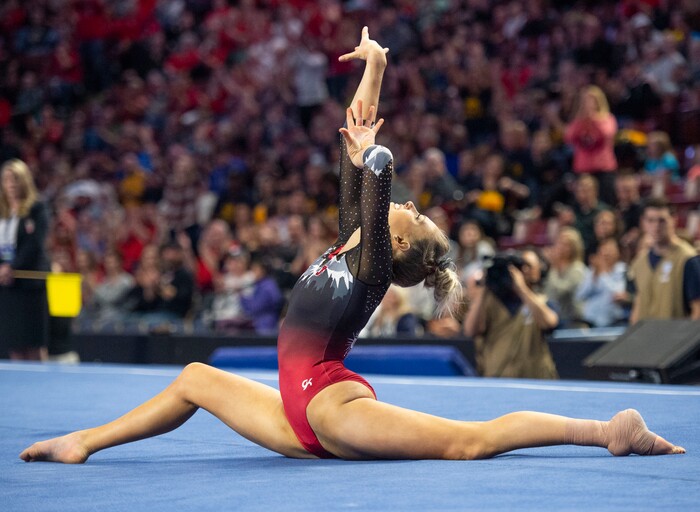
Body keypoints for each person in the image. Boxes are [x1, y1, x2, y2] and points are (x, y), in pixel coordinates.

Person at [20, 28, 683, 465]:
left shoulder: (370, 272)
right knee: (195, 379)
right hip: (293, 411)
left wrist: (372, 157)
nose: (411, 206)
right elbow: (359, 143)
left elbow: (377, 162)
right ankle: (84, 441)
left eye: (416, 215)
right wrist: (377, 66)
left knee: (464, 444)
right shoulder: (354, 242)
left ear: (399, 241)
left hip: (329, 408)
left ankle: (605, 432)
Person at [464, 248, 559, 379]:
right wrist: (486, 287)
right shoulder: (490, 302)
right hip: (497, 378)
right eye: (521, 266)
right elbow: (470, 330)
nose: (525, 270)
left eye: (529, 266)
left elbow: (550, 323)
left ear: (539, 271)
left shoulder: (541, 301)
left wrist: (521, 289)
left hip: (536, 380)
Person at [0, 159, 51, 361]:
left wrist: (11, 267)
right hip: (7, 286)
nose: (11, 184)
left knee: (33, 342)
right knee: (13, 342)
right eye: (6, 180)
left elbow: (34, 243)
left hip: (30, 284)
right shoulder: (2, 212)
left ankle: (41, 386)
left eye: (15, 179)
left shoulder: (37, 208)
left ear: (25, 182)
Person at [628, 197, 700, 324]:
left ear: (674, 220)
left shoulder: (687, 259)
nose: (656, 226)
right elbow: (638, 306)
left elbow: (697, 309)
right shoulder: (639, 263)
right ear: (643, 223)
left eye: (662, 221)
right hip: (645, 339)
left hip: (675, 340)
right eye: (650, 220)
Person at [564, 85, 618, 206]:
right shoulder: (578, 121)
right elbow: (568, 137)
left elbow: (606, 134)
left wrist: (593, 118)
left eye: (591, 99)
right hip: (583, 169)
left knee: (606, 202)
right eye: (585, 101)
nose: (588, 103)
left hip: (604, 168)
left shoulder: (607, 118)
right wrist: (581, 120)